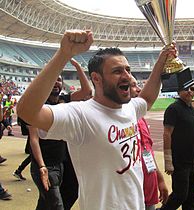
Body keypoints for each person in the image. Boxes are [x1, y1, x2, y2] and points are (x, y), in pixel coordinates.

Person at [16, 29, 174, 210]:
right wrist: (63, 55)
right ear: (96, 79)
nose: (127, 76)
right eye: (117, 71)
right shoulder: (81, 115)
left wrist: (161, 61)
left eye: (128, 70)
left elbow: (146, 99)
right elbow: (27, 112)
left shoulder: (129, 108)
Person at [29, 58, 91, 210]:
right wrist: (41, 166)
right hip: (46, 165)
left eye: (59, 79)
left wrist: (77, 66)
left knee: (50, 201)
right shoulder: (36, 105)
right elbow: (34, 139)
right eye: (53, 79)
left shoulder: (64, 100)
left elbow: (87, 91)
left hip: (62, 162)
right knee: (56, 205)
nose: (56, 82)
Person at [158, 83, 194, 210]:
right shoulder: (173, 109)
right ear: (179, 91)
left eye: (193, 89)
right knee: (180, 195)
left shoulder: (193, 110)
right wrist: (168, 161)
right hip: (180, 161)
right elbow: (167, 133)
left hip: (193, 161)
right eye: (187, 89)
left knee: (192, 195)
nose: (190, 91)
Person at [130, 76, 169, 210]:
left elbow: (147, 152)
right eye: (133, 86)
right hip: (131, 194)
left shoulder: (141, 119)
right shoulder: (117, 123)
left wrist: (159, 179)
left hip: (148, 188)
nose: (139, 89)